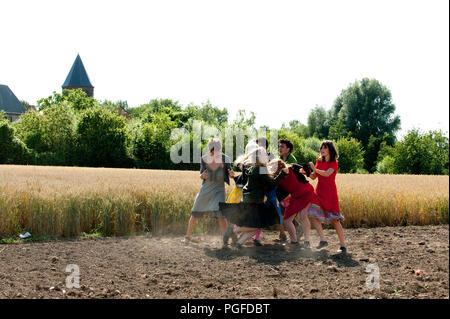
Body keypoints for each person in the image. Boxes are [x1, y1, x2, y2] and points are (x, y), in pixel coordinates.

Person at [220, 147, 289, 249]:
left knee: (257, 227)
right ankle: (233, 231)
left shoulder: (251, 168)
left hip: (248, 199)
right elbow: (271, 183)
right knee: (256, 226)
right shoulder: (261, 169)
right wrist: (282, 173)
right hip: (255, 201)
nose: (267, 156)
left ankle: (238, 244)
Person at [184, 138, 235, 243]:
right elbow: (201, 174)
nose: (215, 153)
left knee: (220, 214)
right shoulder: (204, 158)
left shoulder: (226, 159)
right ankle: (187, 237)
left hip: (219, 189)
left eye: (217, 150)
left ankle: (225, 241)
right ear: (210, 149)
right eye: (212, 150)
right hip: (206, 189)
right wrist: (202, 176)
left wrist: (231, 175)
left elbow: (230, 173)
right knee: (195, 212)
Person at [308, 140, 347, 253]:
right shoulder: (319, 161)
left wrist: (315, 169)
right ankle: (323, 240)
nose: (322, 150)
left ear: (330, 150)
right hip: (319, 192)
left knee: (335, 220)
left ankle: (343, 246)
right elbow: (314, 177)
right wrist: (306, 172)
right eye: (321, 148)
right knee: (312, 214)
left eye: (324, 148)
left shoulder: (334, 163)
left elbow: (327, 173)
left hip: (330, 194)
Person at [277, 162, 317, 249]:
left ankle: (307, 242)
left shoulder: (293, 167)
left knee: (303, 216)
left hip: (307, 193)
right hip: (295, 198)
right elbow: (280, 194)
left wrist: (307, 170)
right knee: (287, 220)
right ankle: (294, 242)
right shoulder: (278, 179)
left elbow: (308, 173)